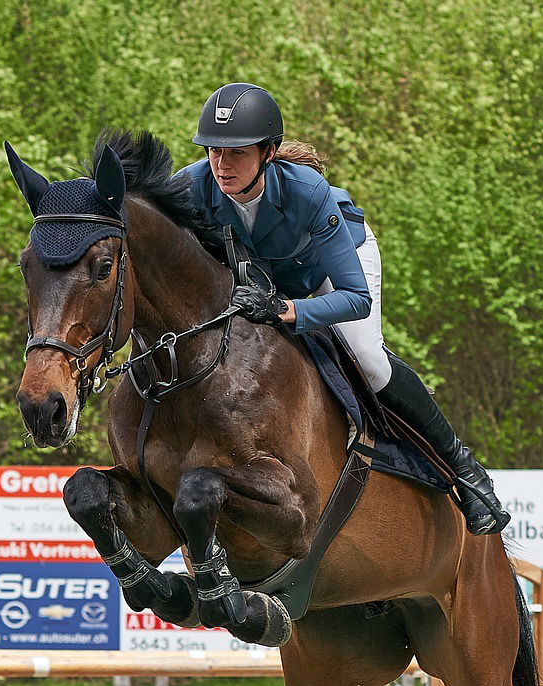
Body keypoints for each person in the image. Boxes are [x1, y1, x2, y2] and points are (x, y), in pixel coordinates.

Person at [173, 82, 509, 535]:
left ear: (269, 152)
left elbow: (354, 297)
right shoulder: (191, 187)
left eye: (237, 152)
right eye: (214, 150)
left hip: (336, 267)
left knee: (367, 359)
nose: (221, 164)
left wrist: (287, 311)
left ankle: (464, 468)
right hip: (267, 283)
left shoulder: (308, 192)